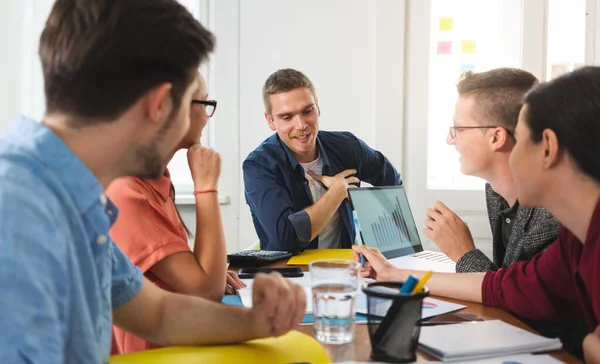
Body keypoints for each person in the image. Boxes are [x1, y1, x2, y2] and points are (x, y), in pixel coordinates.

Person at [0, 1, 304, 363]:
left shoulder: (70, 197)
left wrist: (256, 321)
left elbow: (159, 313)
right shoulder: (19, 212)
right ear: (160, 105)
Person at [354, 66, 600, 363]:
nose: (512, 155)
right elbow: (504, 287)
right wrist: (393, 274)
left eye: (519, 139)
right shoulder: (574, 243)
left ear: (547, 148)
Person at [108, 72, 246, 354]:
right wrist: (206, 187)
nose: (208, 115)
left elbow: (195, 278)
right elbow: (207, 292)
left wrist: (215, 274)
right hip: (151, 354)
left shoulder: (156, 178)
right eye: (204, 103)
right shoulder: (125, 191)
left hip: (176, 340)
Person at [243, 68, 402, 253]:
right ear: (270, 120)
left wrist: (386, 248)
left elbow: (392, 182)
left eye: (307, 111)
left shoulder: (348, 147)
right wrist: (337, 192)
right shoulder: (259, 166)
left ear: (317, 107)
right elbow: (287, 240)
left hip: (344, 270)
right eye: (287, 117)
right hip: (287, 276)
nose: (301, 125)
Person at [427, 68, 561, 273]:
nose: (449, 140)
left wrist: (463, 252)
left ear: (496, 137)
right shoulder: (496, 194)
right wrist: (395, 274)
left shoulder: (554, 213)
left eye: (459, 129)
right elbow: (508, 281)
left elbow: (526, 298)